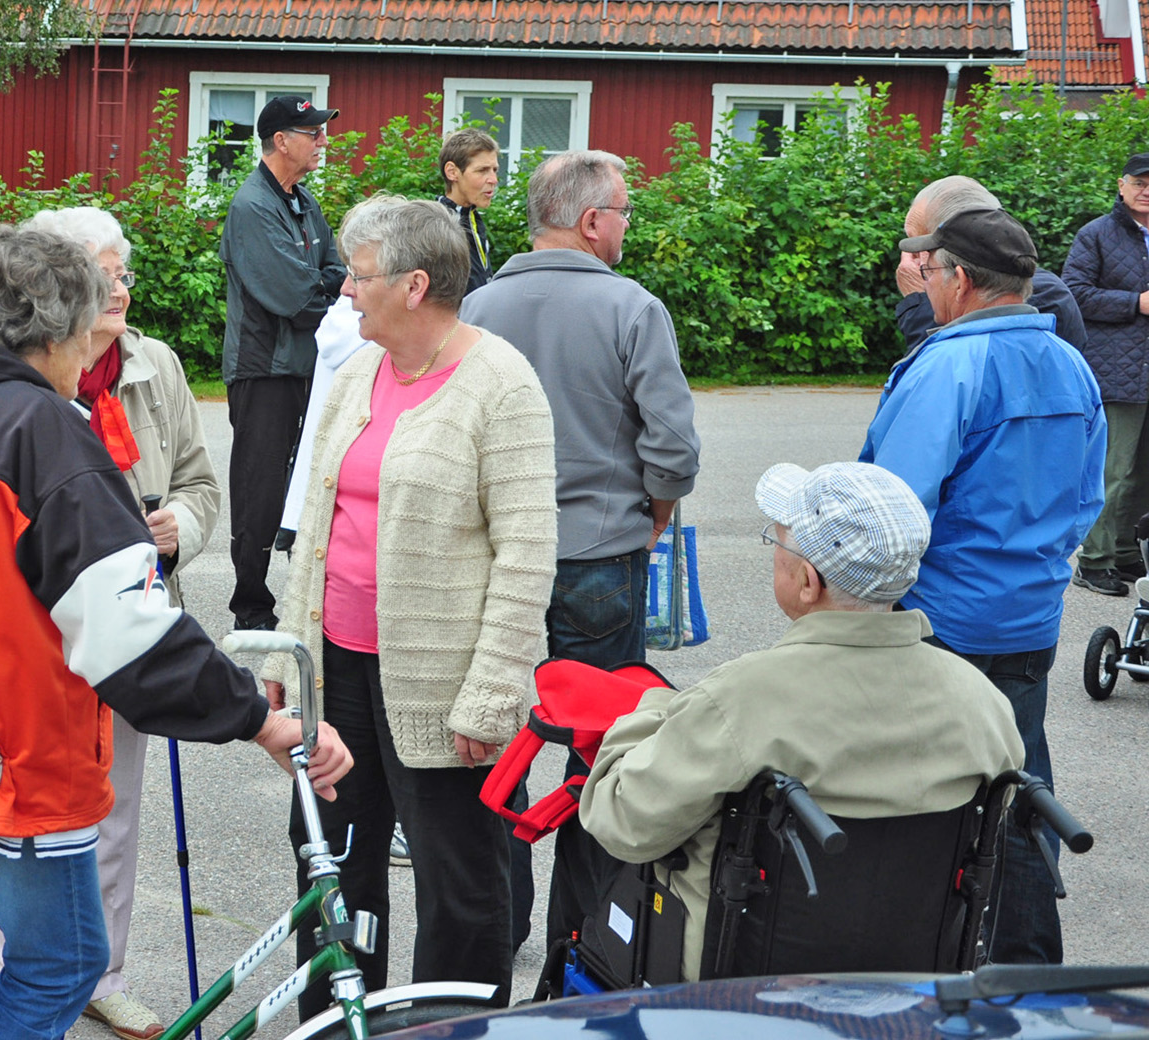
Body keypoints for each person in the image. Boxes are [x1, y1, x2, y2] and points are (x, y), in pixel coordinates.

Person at [0, 224, 349, 1040]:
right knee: (61, 966)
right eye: (85, 333)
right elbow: (130, 635)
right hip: (19, 769)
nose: (90, 353)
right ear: (50, 334)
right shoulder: (45, 435)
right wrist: (259, 719)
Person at [264, 196, 556, 1015]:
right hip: (339, 671)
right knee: (331, 859)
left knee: (459, 879)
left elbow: (528, 555)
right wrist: (293, 651)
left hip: (443, 684)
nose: (346, 293)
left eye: (359, 277)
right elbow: (316, 526)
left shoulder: (501, 385)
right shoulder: (358, 371)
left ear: (415, 285)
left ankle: (449, 1028)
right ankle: (336, 1021)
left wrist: (495, 693)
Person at [579, 460, 1025, 981]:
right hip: (910, 983)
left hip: (735, 988)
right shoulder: (982, 701)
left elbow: (624, 824)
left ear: (808, 582)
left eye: (779, 543)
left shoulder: (742, 697)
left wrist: (653, 710)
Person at [0, 206, 221, 1040]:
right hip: (35, 634)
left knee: (114, 807)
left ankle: (100, 973)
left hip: (130, 619)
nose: (119, 285)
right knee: (20, 811)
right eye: (101, 270)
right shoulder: (18, 372)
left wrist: (180, 529)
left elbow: (199, 481)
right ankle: (19, 973)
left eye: (122, 269)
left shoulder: (153, 365)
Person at [459, 148, 700, 950]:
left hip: (494, 560)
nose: (627, 225)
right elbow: (674, 448)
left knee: (501, 734)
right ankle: (582, 934)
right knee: (600, 750)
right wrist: (655, 513)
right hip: (601, 552)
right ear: (592, 221)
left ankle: (500, 923)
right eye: (623, 211)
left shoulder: (478, 309)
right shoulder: (636, 309)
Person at [861, 206, 1105, 964]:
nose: (925, 285)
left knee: (916, 805)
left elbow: (893, 511)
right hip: (1029, 618)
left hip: (941, 623)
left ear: (961, 278)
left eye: (929, 272)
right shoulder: (1071, 363)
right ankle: (1029, 972)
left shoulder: (947, 365)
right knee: (1020, 791)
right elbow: (1087, 502)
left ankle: (917, 973)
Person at [220, 95, 347, 630]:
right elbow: (295, 297)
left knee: (313, 481)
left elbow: (338, 272)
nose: (323, 142)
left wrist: (326, 285)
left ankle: (304, 596)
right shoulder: (252, 206)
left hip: (307, 366)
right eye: (312, 133)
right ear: (281, 141)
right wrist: (324, 287)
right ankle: (250, 606)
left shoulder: (302, 199)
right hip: (264, 370)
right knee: (261, 487)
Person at [1062, 152, 1149, 596]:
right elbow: (1074, 293)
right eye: (1139, 181)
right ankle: (1094, 563)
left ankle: (1129, 555)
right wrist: (1135, 303)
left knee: (1144, 474)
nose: (1146, 189)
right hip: (1118, 370)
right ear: (1122, 185)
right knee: (1112, 471)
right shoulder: (1095, 234)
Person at [896, 175, 1083, 353]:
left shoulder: (1040, 295)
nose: (914, 262)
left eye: (920, 245)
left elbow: (941, 372)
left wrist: (920, 302)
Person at [437, 128, 499, 294]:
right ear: (452, 172)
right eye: (482, 170)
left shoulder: (472, 217)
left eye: (494, 170)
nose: (493, 180)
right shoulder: (436, 224)